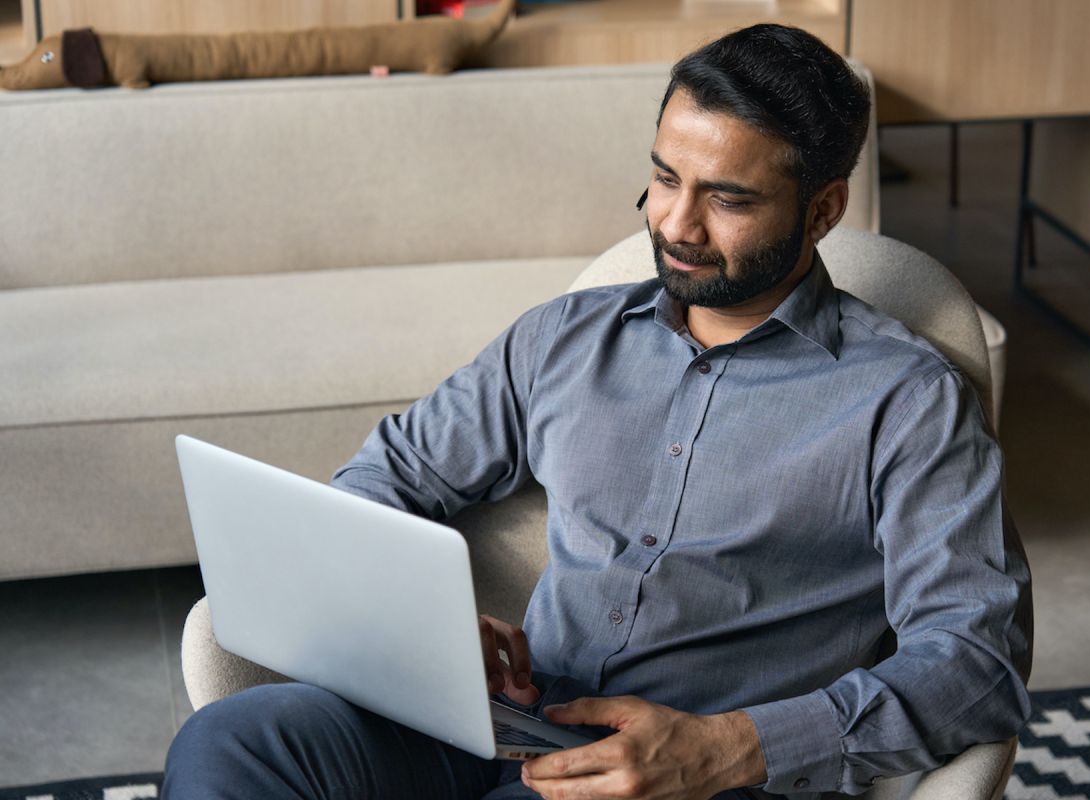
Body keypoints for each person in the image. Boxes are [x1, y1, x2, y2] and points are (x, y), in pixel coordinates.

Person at [164, 23, 1032, 800]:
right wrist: (415, 623)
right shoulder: (565, 339)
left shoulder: (909, 403)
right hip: (507, 724)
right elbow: (383, 480)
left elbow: (976, 665)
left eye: (728, 198)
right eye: (663, 178)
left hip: (707, 779)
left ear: (824, 209)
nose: (676, 223)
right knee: (234, 744)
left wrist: (727, 749)